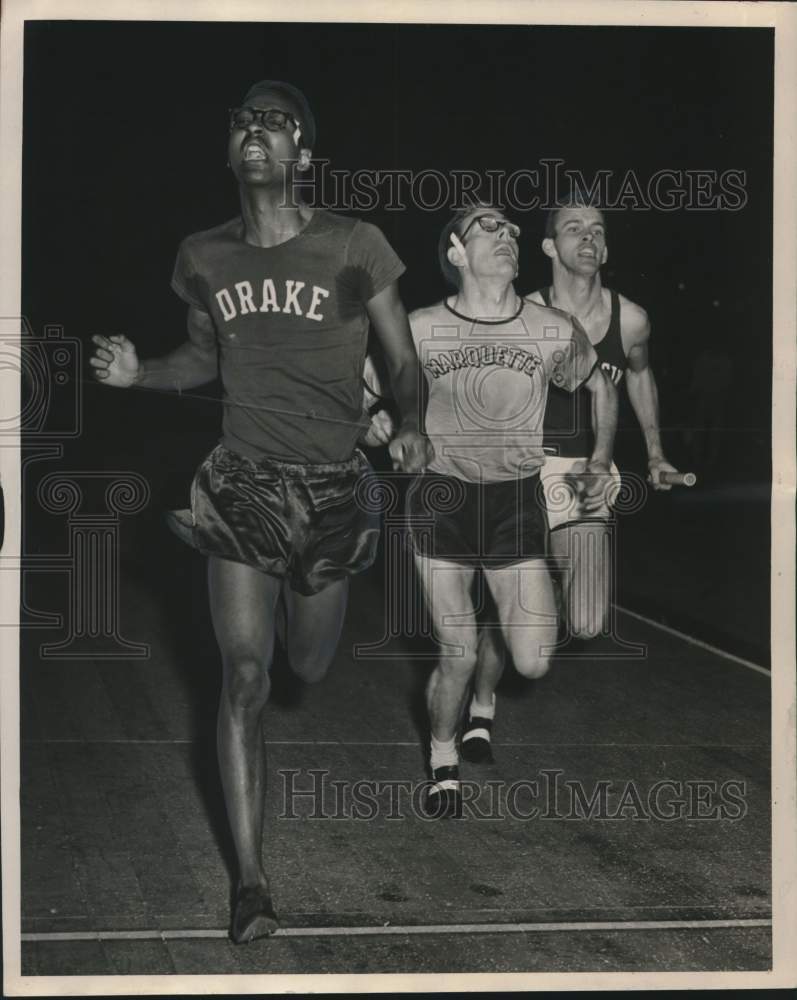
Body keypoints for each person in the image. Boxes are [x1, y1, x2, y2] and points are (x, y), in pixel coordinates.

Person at [90, 80, 432, 942]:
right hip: (242, 482)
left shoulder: (357, 244)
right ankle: (251, 884)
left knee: (305, 668)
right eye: (244, 119)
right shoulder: (201, 256)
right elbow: (198, 359)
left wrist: (415, 422)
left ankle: (298, 642)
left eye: (277, 122)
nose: (257, 129)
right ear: (230, 150)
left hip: (331, 488)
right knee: (241, 676)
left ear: (302, 156)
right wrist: (141, 375)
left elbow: (403, 362)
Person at [406, 203, 617, 816]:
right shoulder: (419, 328)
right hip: (440, 500)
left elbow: (601, 385)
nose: (507, 236)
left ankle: (487, 687)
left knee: (534, 659)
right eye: (488, 228)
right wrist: (390, 428)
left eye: (512, 230)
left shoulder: (550, 328)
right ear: (455, 252)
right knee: (457, 649)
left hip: (515, 501)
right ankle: (443, 756)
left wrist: (600, 460)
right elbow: (369, 401)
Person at [461, 199, 680, 766]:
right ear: (548, 247)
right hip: (527, 470)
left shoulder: (631, 318)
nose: (589, 238)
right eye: (573, 229)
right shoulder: (522, 313)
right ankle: (480, 709)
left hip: (587, 470)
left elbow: (637, 374)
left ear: (605, 250)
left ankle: (524, 597)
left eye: (598, 231)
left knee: (584, 622)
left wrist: (654, 453)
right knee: (525, 598)